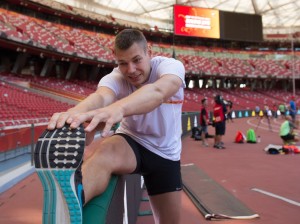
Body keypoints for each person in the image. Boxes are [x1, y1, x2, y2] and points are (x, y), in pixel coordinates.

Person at [37, 29, 186, 224]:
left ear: (149, 52)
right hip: (132, 142)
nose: (130, 70)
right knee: (105, 152)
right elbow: (100, 96)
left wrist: (117, 108)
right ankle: (67, 204)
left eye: (136, 60)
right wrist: (75, 114)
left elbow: (158, 91)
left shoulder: (170, 66)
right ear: (115, 57)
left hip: (167, 155)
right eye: (123, 63)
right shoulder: (116, 77)